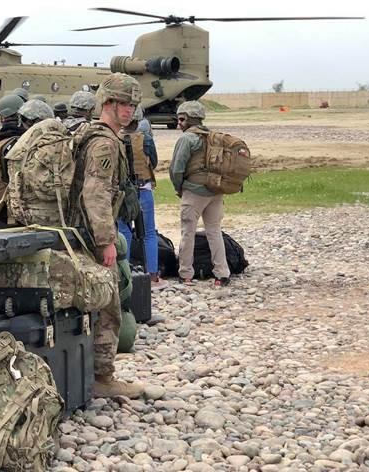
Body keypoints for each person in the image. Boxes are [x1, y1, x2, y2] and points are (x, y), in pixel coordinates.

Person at [68, 73, 144, 399]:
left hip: (78, 232)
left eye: (132, 105)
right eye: (123, 104)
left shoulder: (90, 135)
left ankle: (86, 372)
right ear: (108, 103)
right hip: (90, 235)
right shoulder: (104, 143)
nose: (129, 110)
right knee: (109, 304)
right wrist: (105, 240)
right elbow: (96, 192)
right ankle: (102, 377)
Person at [169, 100, 230, 287]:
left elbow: (176, 169)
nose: (179, 124)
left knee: (188, 232)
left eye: (181, 119)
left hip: (194, 192)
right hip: (215, 191)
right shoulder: (214, 137)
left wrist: (179, 188)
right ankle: (222, 274)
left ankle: (186, 273)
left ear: (189, 119)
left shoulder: (186, 139)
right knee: (214, 231)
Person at [117, 106, 167, 289]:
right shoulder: (145, 139)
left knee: (124, 232)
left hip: (122, 192)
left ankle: (125, 274)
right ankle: (152, 275)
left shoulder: (115, 138)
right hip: (143, 189)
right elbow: (153, 162)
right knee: (149, 233)